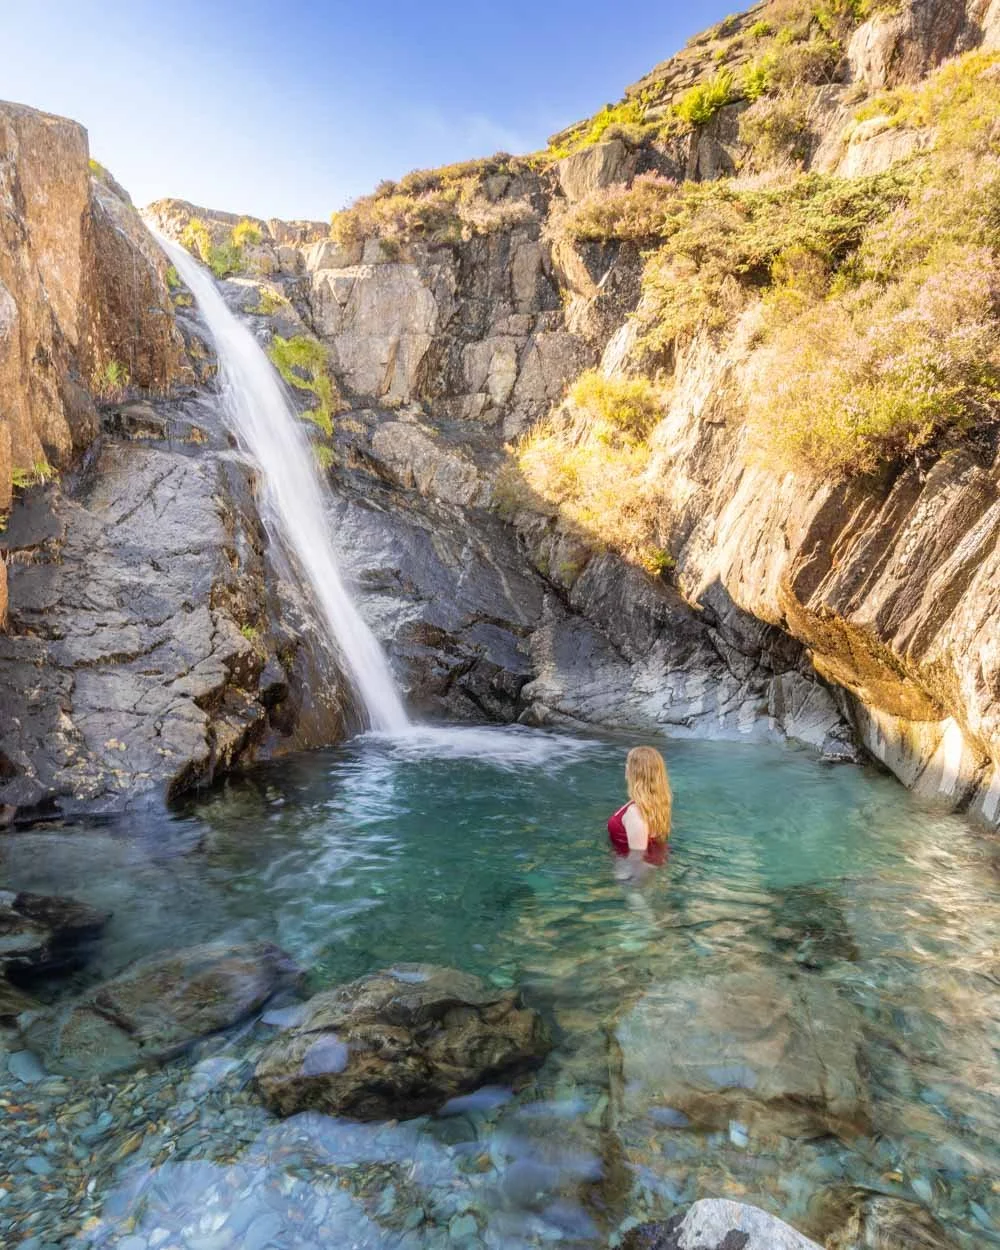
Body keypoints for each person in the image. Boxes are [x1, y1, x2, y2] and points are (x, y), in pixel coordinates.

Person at [608, 746, 672, 864]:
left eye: (628, 764)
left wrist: (626, 878)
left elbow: (637, 860)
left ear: (636, 772)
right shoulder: (656, 803)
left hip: (630, 873)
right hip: (654, 864)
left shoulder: (635, 812)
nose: (625, 767)